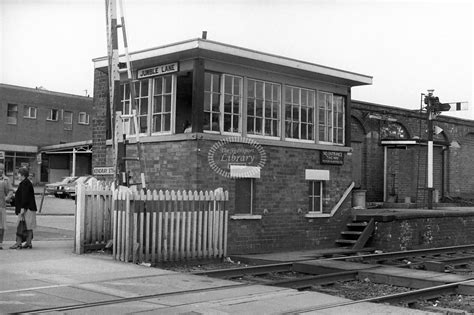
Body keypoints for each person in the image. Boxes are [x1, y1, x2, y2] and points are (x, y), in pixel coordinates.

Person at [10, 168, 37, 249]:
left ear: (22, 175)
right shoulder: (26, 183)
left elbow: (24, 197)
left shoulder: (25, 183)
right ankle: (28, 243)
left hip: (26, 208)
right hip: (29, 208)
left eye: (18, 174)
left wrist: (22, 208)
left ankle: (19, 243)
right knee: (29, 226)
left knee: (20, 225)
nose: (17, 175)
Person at [0, 163, 14, 250]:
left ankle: (0, 242)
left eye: (1, 169)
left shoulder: (6, 179)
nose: (0, 171)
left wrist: (6, 198)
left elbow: (10, 190)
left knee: (1, 225)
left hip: (2, 205)